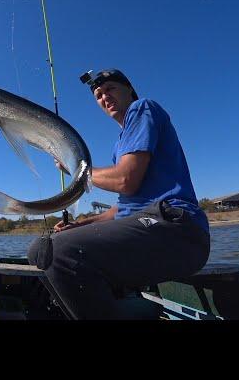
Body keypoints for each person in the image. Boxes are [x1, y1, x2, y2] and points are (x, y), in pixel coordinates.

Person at [27, 69, 210, 319]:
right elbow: (124, 207)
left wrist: (77, 169)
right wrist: (82, 224)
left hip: (179, 230)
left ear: (129, 90)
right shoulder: (120, 144)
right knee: (41, 248)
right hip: (149, 227)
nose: (104, 97)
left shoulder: (142, 108)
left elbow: (126, 180)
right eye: (99, 95)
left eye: (111, 88)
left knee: (60, 252)